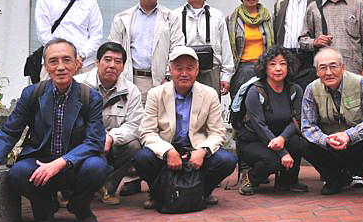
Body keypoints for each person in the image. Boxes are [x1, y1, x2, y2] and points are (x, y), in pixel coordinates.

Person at [0, 39, 109, 222]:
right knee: (18, 173)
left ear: (77, 63)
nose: (60, 67)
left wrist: (62, 161)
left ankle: (80, 206)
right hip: (40, 161)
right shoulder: (32, 94)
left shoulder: (90, 97)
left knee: (97, 167)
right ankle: (44, 209)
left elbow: (94, 141)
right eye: (53, 61)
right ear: (46, 67)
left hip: (75, 162)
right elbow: (10, 130)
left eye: (67, 60)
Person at [133, 46, 237, 209]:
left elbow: (217, 132)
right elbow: (147, 132)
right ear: (170, 70)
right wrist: (168, 151)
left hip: (195, 147)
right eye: (178, 68)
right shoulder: (156, 94)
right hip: (167, 146)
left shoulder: (209, 94)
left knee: (226, 160)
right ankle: (158, 194)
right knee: (142, 158)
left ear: (197, 71)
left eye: (189, 68)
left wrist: (202, 151)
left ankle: (202, 193)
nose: (184, 73)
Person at [301, 47, 363, 195]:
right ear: (317, 72)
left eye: (333, 66)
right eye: (323, 68)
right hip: (331, 145)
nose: (328, 72)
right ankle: (335, 179)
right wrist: (325, 140)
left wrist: (349, 135)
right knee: (303, 143)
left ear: (343, 67)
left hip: (358, 143)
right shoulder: (311, 89)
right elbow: (307, 126)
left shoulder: (361, 83)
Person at [75, 42, 144, 205]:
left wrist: (111, 137)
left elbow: (134, 125)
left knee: (133, 146)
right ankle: (71, 189)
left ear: (123, 67)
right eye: (107, 60)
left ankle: (108, 187)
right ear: (97, 62)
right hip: (83, 141)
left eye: (117, 61)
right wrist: (95, 138)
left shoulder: (131, 91)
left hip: (112, 144)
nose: (112, 65)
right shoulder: (78, 84)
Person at [237, 46, 308, 195]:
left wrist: (282, 138)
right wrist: (282, 153)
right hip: (255, 140)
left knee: (298, 143)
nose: (278, 68)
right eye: (272, 64)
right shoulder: (255, 91)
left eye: (283, 64)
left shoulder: (295, 90)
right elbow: (259, 126)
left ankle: (287, 182)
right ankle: (250, 178)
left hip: (281, 137)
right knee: (273, 161)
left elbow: (297, 120)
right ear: (265, 67)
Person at [108, 0, 184, 105]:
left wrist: (169, 77)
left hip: (161, 81)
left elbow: (177, 48)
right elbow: (113, 50)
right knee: (131, 117)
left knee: (161, 118)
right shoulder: (122, 18)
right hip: (131, 80)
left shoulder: (171, 18)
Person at [34, 0, 103, 77]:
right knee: (49, 90)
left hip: (83, 65)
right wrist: (65, 58)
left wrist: (81, 56)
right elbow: (43, 34)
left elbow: (96, 36)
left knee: (85, 91)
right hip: (54, 64)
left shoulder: (90, 1)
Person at [173, 0, 234, 98]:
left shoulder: (217, 15)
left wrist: (226, 76)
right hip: (183, 71)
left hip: (211, 71)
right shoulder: (174, 16)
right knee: (183, 107)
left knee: (210, 107)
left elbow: (225, 46)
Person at [273, 0, 320, 89]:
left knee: (309, 93)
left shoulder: (320, 0)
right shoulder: (281, 4)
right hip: (286, 57)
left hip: (310, 56)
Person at [227, 0, 275, 99]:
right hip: (241, 70)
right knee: (240, 105)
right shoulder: (232, 19)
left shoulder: (268, 18)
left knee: (264, 104)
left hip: (263, 68)